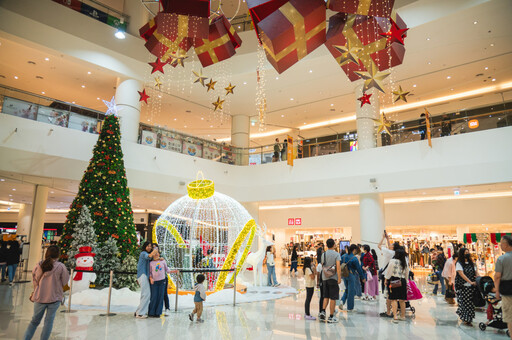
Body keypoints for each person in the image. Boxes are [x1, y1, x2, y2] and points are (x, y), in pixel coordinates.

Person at [23, 245, 69, 340]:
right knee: (48, 322)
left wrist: (37, 290)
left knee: (34, 321)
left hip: (39, 298)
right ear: (58, 255)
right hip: (54, 298)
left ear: (47, 253)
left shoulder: (38, 265)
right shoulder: (61, 267)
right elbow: (65, 281)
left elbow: (35, 280)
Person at [319, 238, 341, 323]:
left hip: (325, 277)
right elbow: (338, 267)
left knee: (326, 296)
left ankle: (323, 312)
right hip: (333, 278)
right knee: (333, 298)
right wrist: (339, 278)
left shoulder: (323, 254)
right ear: (334, 245)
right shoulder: (336, 254)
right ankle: (331, 316)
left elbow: (322, 265)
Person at [384, 248, 409, 323]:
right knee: (402, 300)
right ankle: (403, 316)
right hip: (403, 280)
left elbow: (389, 272)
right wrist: (406, 281)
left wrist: (386, 279)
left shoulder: (393, 261)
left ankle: (395, 316)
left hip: (394, 280)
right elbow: (407, 272)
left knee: (394, 299)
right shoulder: (404, 262)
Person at [378, 231, 400, 317]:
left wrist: (383, 238)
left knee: (387, 294)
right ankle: (392, 310)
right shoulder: (395, 253)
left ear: (393, 247)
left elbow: (379, 246)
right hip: (393, 275)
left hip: (386, 276)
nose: (389, 245)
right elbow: (389, 246)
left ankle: (388, 311)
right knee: (392, 294)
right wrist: (387, 239)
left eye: (391, 245)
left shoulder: (389, 252)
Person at [455, 247, 478, 326]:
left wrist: (477, 279)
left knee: (471, 303)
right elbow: (461, 274)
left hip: (471, 287)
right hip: (463, 286)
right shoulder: (459, 264)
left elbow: (476, 272)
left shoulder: (471, 263)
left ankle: (469, 318)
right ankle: (465, 318)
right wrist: (470, 282)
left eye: (468, 252)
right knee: (465, 302)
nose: (467, 254)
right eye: (465, 253)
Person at [495, 235, 512, 339]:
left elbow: (497, 277)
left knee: (510, 316)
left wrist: (497, 291)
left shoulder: (502, 259)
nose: (501, 246)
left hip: (508, 290)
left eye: (501, 243)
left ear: (505, 245)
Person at [340, 244, 366, 311]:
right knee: (351, 291)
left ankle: (342, 301)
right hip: (351, 275)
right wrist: (362, 277)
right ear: (354, 250)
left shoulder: (343, 256)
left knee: (348, 289)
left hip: (344, 275)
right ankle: (350, 308)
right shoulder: (354, 258)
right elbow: (359, 269)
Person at [135, 241, 157, 319]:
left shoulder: (147, 255)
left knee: (145, 294)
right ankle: (140, 313)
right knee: (146, 294)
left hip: (145, 276)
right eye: (148, 246)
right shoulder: (143, 253)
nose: (149, 247)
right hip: (142, 275)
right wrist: (155, 250)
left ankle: (138, 311)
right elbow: (150, 256)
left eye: (150, 246)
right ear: (144, 247)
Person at [148, 249, 171, 318]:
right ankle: (151, 312)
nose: (156, 254)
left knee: (160, 297)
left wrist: (174, 271)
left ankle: (158, 312)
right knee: (154, 296)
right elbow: (149, 272)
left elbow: (167, 270)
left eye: (157, 253)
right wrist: (151, 278)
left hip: (162, 281)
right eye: (154, 253)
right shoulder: (150, 263)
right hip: (154, 282)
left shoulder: (163, 261)